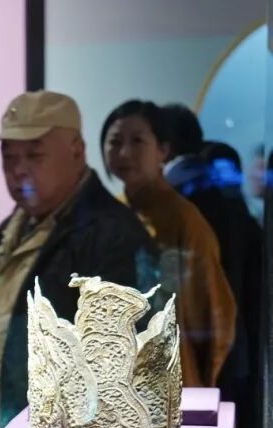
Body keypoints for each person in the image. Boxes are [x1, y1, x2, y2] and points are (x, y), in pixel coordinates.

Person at [0, 90, 155, 428]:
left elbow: (117, 372)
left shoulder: (112, 235)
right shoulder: (13, 227)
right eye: (9, 157)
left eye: (34, 155)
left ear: (77, 151)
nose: (18, 169)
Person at [102, 99, 237, 388]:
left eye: (137, 141)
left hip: (169, 371)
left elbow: (212, 311)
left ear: (163, 150)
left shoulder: (184, 219)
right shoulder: (111, 212)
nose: (124, 153)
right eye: (115, 142)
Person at [161, 104, 261, 428]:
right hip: (235, 333)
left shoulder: (173, 199)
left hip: (196, 335)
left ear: (163, 146)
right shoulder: (227, 197)